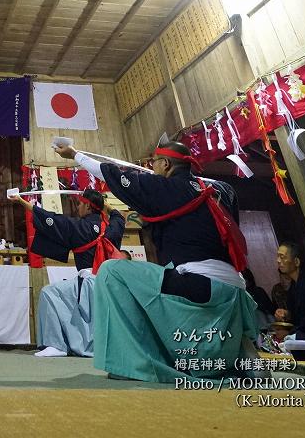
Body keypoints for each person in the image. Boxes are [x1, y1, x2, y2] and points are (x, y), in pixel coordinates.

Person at [55, 141, 258, 382]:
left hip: (200, 286)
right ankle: (244, 350)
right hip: (234, 291)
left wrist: (76, 154)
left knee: (111, 271)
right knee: (166, 271)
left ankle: (134, 361)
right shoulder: (221, 191)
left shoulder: (169, 187)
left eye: (154, 164)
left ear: (166, 164)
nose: (153, 168)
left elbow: (113, 175)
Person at [9, 189, 124, 357]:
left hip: (89, 285)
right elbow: (119, 216)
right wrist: (105, 206)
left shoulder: (80, 227)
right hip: (108, 284)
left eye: (79, 203)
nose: (77, 207)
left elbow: (51, 220)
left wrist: (21, 201)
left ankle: (56, 345)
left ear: (87, 206)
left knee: (49, 293)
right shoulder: (111, 227)